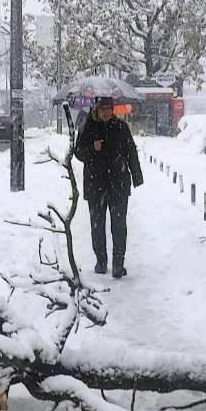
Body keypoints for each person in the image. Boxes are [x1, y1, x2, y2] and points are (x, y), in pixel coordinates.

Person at [72, 96, 144, 277]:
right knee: (97, 225)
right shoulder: (88, 127)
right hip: (95, 184)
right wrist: (92, 148)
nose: (106, 112)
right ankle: (101, 262)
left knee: (119, 225)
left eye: (109, 108)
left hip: (118, 183)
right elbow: (78, 153)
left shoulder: (121, 127)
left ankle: (118, 263)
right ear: (96, 109)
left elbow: (131, 152)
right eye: (102, 108)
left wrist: (137, 176)